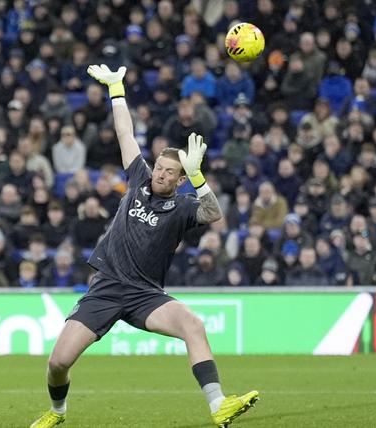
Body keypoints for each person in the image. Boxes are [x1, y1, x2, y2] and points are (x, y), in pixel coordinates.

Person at [30, 65, 259, 428]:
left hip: (146, 295)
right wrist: (117, 89)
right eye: (160, 168)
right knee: (58, 362)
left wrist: (200, 178)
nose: (161, 173)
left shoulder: (184, 205)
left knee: (193, 325)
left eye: (171, 172)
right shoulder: (137, 177)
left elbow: (214, 212)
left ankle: (219, 405)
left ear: (181, 179)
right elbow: (125, 132)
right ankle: (57, 413)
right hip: (106, 288)